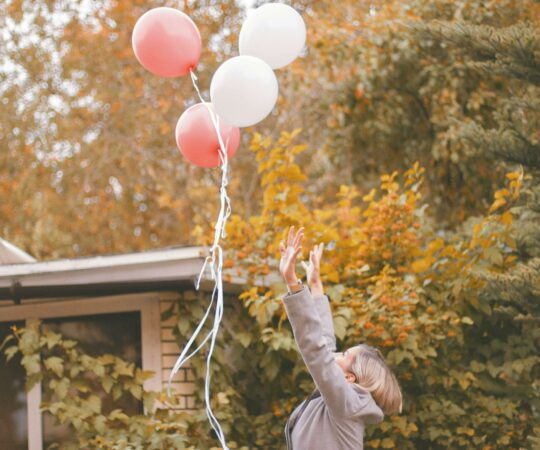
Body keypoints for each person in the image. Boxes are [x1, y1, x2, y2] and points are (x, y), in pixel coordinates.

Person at [278, 225, 403, 450]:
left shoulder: (346, 403)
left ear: (349, 378)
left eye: (344, 355)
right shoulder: (346, 402)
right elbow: (323, 344)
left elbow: (316, 351)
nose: (334, 355)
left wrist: (293, 284)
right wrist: (315, 286)